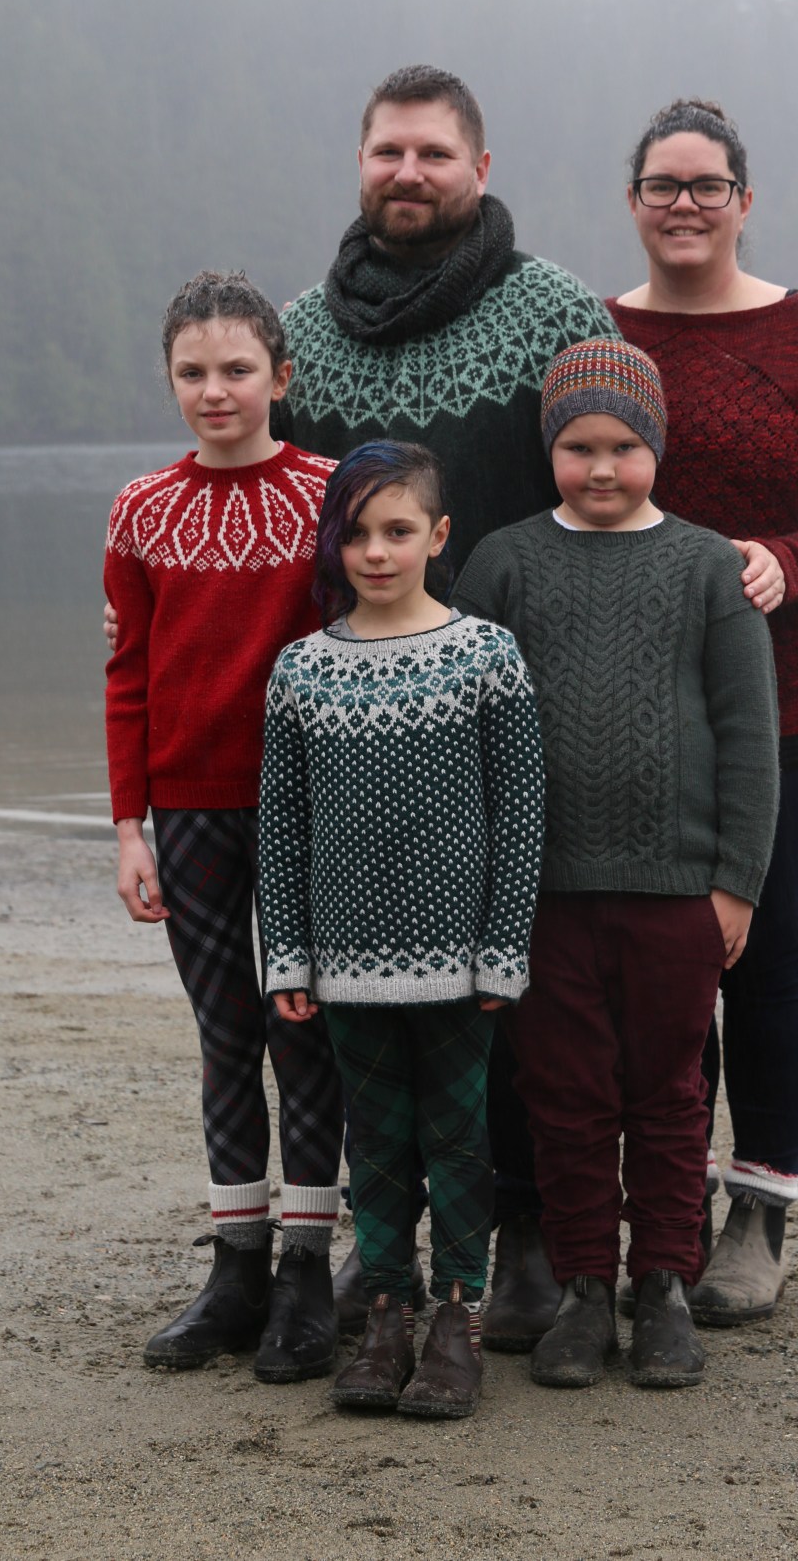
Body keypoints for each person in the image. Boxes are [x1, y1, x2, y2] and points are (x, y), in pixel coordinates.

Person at [273, 63, 616, 1348]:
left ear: (480, 167)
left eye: (431, 152)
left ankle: (525, 1238)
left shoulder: (554, 311)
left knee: (504, 997)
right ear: (359, 164)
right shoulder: (304, 331)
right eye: (386, 152)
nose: (406, 173)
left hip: (515, 702)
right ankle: (383, 1255)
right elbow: (272, 512)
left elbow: (616, 484)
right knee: (367, 1013)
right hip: (357, 721)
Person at [606, 99, 798, 1324]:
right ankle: (672, 1202)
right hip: (629, 708)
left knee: (764, 948)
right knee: (663, 962)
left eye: (707, 184)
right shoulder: (591, 333)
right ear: (631, 200)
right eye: (662, 183)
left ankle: (760, 1213)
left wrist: (791, 560)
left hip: (792, 701)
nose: (683, 203)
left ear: (745, 200)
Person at [454, 338, 780, 1389]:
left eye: (624, 447)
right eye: (579, 446)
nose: (601, 467)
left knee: (670, 1093)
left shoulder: (707, 566)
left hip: (677, 893)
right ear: (550, 449)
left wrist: (735, 881)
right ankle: (585, 1290)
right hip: (543, 893)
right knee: (564, 1095)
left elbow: (749, 735)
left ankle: (664, 1284)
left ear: (657, 448)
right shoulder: (502, 561)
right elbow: (465, 727)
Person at [258, 441, 544, 1419]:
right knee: (374, 1143)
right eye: (356, 533)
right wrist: (287, 955)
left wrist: (503, 949)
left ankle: (457, 1321)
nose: (375, 552)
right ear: (333, 542)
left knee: (457, 1138)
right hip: (343, 967)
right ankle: (386, 1313)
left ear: (438, 534)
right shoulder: (302, 669)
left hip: (460, 966)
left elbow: (520, 813)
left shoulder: (485, 655)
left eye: (397, 530)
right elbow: (281, 825)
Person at [104, 271, 344, 1381]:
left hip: (307, 806)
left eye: (237, 369)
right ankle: (236, 1266)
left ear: (280, 377)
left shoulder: (331, 495)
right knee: (225, 1034)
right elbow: (127, 673)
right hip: (188, 807)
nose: (215, 389)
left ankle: (308, 1268)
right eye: (192, 371)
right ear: (169, 381)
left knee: (304, 1028)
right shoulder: (140, 508)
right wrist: (128, 827)